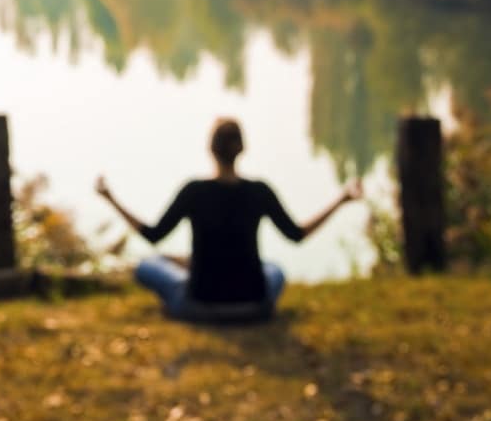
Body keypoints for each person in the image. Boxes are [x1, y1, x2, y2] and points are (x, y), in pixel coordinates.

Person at [95, 118, 362, 323]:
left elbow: (152, 234)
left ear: (210, 149)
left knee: (147, 265)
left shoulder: (194, 191)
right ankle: (191, 263)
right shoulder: (259, 191)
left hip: (199, 305)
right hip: (255, 307)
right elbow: (297, 234)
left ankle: (190, 266)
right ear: (242, 149)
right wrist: (341, 200)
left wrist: (110, 198)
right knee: (275, 270)